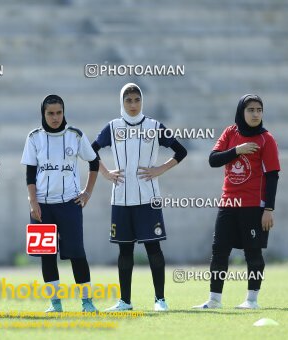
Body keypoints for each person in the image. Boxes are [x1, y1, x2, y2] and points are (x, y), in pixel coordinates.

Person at [91, 83, 187, 312]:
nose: (133, 105)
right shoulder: (112, 127)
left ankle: (160, 300)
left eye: (136, 100)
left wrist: (159, 169)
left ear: (142, 101)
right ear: (121, 103)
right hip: (122, 199)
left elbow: (180, 151)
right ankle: (125, 301)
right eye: (128, 101)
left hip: (148, 198)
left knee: (154, 249)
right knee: (125, 251)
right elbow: (89, 149)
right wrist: (105, 172)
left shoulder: (154, 126)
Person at [193, 94, 280, 310]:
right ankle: (214, 299)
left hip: (253, 205)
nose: (255, 114)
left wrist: (268, 209)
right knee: (219, 250)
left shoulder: (266, 139)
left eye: (259, 110)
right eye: (250, 109)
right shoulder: (230, 132)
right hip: (228, 203)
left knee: (253, 252)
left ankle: (252, 300)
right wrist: (237, 151)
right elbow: (213, 159)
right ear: (242, 112)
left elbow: (272, 176)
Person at [21, 94, 100, 313]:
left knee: (77, 253)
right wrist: (33, 201)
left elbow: (94, 162)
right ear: (43, 114)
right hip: (42, 206)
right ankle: (55, 303)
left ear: (64, 112)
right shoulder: (34, 137)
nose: (55, 117)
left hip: (69, 204)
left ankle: (87, 302)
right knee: (47, 256)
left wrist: (87, 193)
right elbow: (29, 174)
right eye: (50, 113)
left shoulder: (75, 135)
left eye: (58, 112)